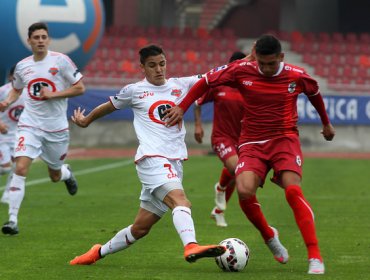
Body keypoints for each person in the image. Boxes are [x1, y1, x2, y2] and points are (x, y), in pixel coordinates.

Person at [165, 34, 335, 275]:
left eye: (271, 64)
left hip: (284, 139)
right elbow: (206, 81)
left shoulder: (296, 75)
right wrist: (182, 107)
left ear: (281, 58)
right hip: (252, 142)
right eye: (261, 64)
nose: (265, 69)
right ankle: (269, 236)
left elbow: (314, 93)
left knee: (293, 190)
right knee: (244, 190)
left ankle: (314, 255)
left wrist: (326, 124)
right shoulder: (241, 69)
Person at [69, 44, 225, 266]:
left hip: (173, 163)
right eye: (152, 65)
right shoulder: (135, 91)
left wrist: (248, 59)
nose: (159, 69)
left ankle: (96, 253)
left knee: (140, 229)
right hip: (151, 159)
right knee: (181, 201)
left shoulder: (180, 84)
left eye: (162, 64)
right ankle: (191, 245)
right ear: (142, 67)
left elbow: (214, 75)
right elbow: (109, 106)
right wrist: (86, 120)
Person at [0, 22, 85, 235]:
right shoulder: (22, 66)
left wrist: (53, 94)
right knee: (20, 168)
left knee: (54, 175)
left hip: (56, 128)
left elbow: (80, 88)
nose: (40, 40)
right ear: (29, 41)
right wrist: (8, 101)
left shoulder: (61, 61)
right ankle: (12, 220)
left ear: (48, 40)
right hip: (30, 125)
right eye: (36, 37)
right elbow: (16, 89)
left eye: (43, 37)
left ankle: (66, 173)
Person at [194, 51, 246, 227]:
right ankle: (221, 189)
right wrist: (198, 125)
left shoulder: (249, 86)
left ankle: (218, 211)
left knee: (233, 173)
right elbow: (197, 102)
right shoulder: (219, 84)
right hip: (221, 138)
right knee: (238, 171)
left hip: (243, 139)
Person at [0, 66, 25, 204]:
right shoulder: (3, 91)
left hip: (18, 136)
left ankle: (8, 194)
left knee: (18, 166)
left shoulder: (28, 93)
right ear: (10, 77)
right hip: (2, 136)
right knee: (5, 168)